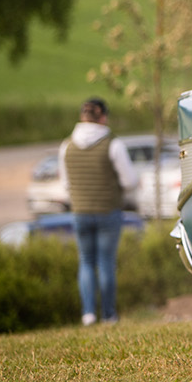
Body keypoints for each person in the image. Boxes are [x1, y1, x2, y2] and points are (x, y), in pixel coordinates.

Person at [59, 97, 138, 325]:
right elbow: (129, 181)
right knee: (105, 262)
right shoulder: (113, 144)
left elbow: (65, 183)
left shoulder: (67, 146)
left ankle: (88, 313)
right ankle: (108, 314)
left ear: (82, 117)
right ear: (103, 117)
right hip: (108, 211)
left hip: (80, 212)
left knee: (85, 261)